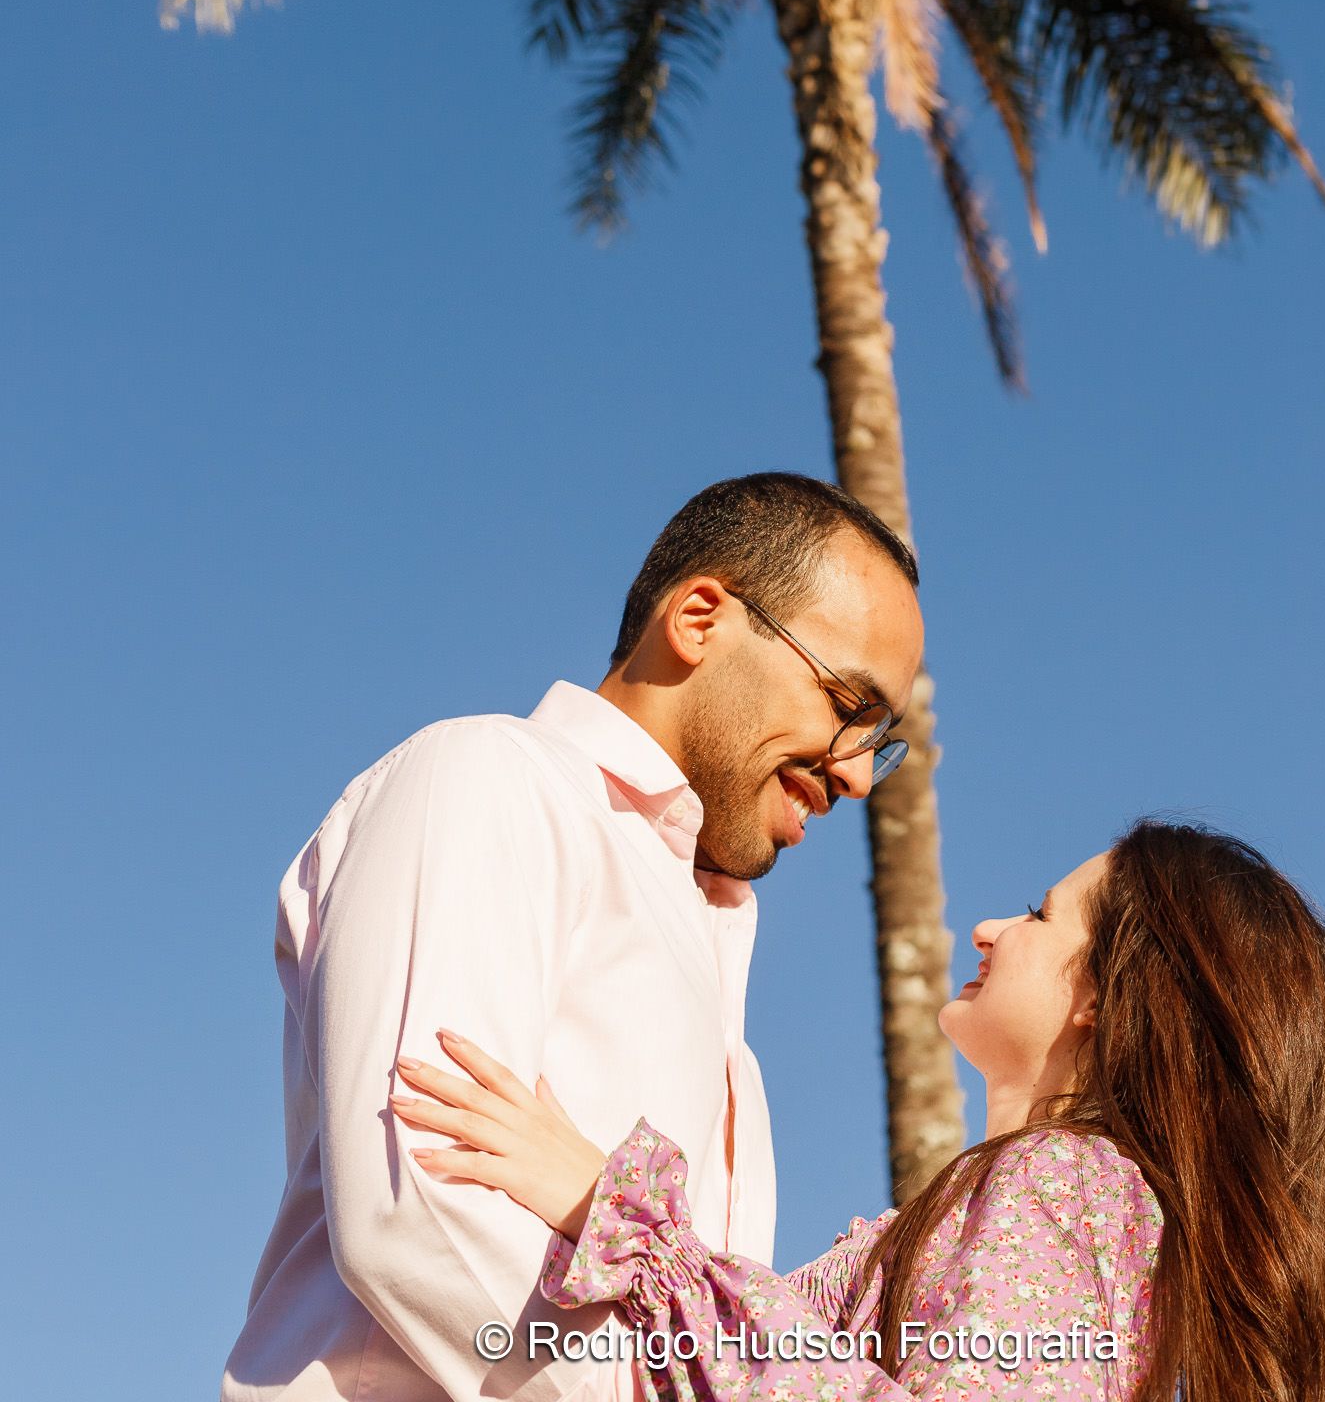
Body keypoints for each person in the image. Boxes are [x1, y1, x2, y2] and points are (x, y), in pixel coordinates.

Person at [220, 471, 925, 1402]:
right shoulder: (487, 781)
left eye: (880, 741)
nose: (858, 777)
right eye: (845, 703)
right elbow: (417, 1213)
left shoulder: (729, 1036)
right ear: (701, 619)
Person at [391, 823, 1325, 1402]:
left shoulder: (1062, 1185)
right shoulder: (1107, 1218)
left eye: (1041, 915)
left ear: (1104, 995)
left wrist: (618, 1218)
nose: (989, 927)